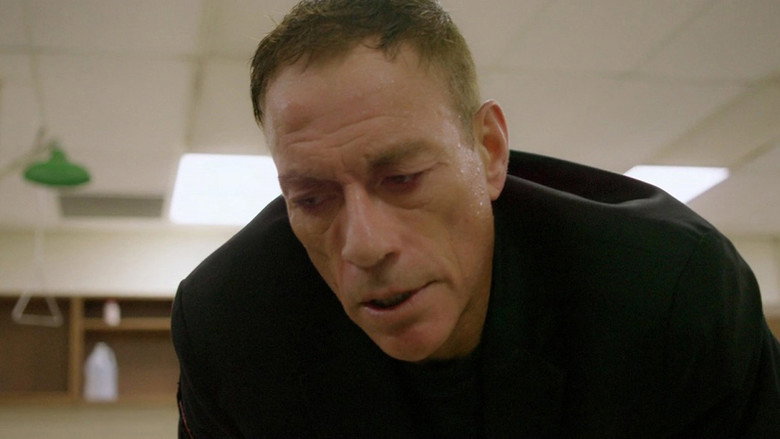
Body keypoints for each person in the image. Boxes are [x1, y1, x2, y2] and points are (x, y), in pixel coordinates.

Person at [172, 0, 780, 437]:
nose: (364, 246)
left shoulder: (670, 290)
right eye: (311, 199)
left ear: (488, 151)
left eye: (402, 179)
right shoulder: (229, 327)